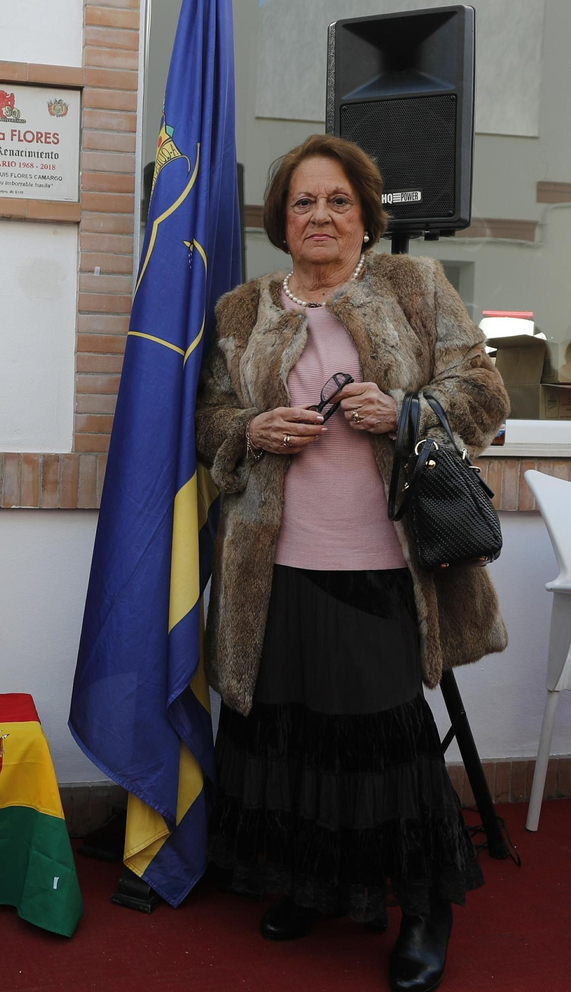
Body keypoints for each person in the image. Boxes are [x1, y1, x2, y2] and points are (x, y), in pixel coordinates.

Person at [197, 134, 509, 992]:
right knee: (287, 729)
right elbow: (210, 420)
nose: (322, 216)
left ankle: (426, 909)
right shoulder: (241, 309)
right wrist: (252, 430)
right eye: (304, 202)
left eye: (339, 201)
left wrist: (406, 410)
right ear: (281, 220)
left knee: (384, 737)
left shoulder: (415, 287)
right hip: (271, 563)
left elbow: (485, 395)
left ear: (367, 216)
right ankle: (314, 883)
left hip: (383, 560)